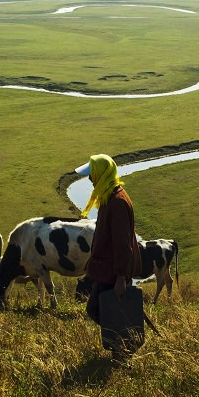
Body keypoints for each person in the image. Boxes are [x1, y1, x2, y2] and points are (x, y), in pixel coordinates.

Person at [74, 154, 142, 363]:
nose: (90, 179)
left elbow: (122, 244)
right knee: (106, 309)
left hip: (113, 271)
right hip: (108, 269)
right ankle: (121, 349)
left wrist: (121, 276)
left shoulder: (117, 202)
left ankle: (124, 347)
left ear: (102, 174)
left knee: (96, 308)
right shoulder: (109, 196)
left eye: (92, 174)